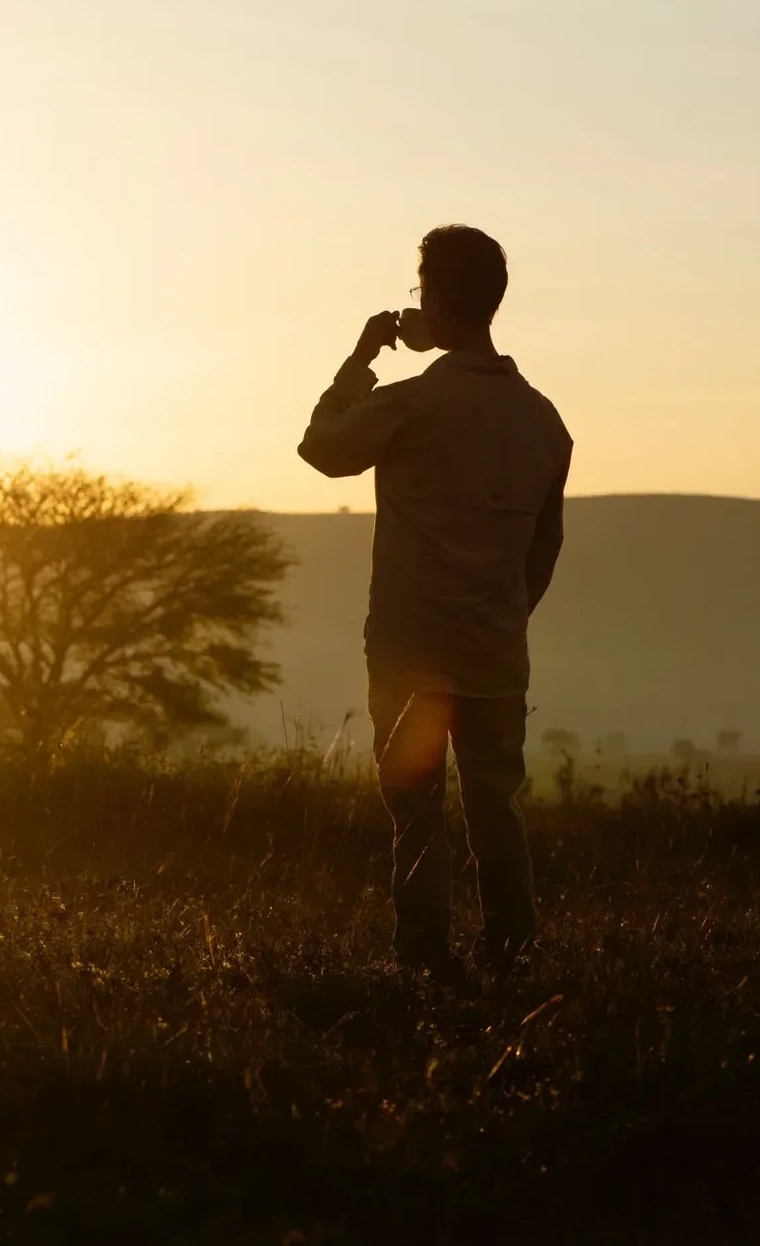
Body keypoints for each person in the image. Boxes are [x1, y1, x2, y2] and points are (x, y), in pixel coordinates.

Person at [297, 225, 572, 985]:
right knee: (497, 809)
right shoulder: (544, 420)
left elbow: (320, 449)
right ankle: (514, 954)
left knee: (415, 809)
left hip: (411, 651)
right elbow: (543, 550)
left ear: (438, 298)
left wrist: (360, 362)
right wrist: (507, 615)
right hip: (495, 649)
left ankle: (424, 959)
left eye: (422, 289)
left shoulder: (410, 404)